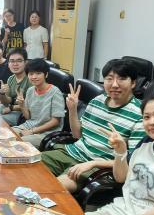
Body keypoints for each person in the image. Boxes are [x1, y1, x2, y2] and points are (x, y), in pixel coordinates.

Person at [41, 59, 146, 192]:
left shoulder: (141, 114)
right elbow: (77, 135)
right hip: (72, 152)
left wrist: (93, 163)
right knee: (28, 165)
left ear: (133, 83)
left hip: (98, 167)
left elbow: (131, 160)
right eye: (109, 79)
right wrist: (72, 109)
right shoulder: (97, 101)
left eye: (122, 79)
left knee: (50, 188)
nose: (114, 84)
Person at [12, 58, 65, 147]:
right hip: (29, 126)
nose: (34, 77)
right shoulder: (30, 90)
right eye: (31, 74)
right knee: (6, 135)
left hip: (47, 133)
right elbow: (28, 117)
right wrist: (22, 105)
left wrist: (32, 131)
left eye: (38, 73)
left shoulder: (55, 92)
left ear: (46, 74)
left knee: (16, 143)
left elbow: (55, 121)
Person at [0, 48, 31, 125]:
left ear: (26, 63)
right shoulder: (11, 78)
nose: (15, 64)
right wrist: (2, 93)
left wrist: (11, 108)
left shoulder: (31, 80)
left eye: (19, 61)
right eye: (12, 61)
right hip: (12, 108)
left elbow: (31, 106)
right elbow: (7, 102)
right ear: (8, 64)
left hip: (24, 113)